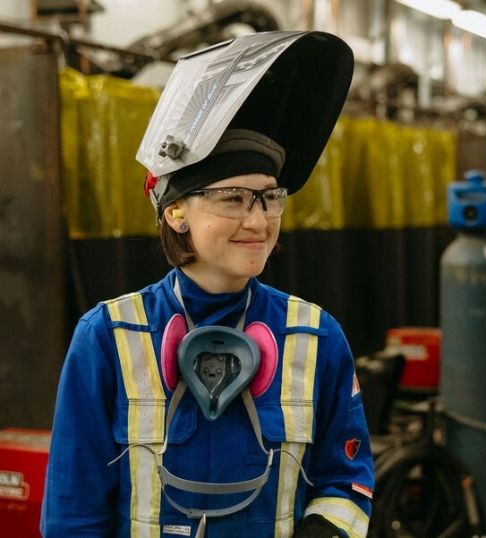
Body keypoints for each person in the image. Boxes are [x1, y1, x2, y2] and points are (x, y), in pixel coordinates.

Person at [41, 31, 373, 537]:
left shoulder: (317, 338)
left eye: (269, 197)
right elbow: (72, 512)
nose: (259, 221)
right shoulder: (108, 338)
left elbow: (348, 484)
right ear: (176, 212)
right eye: (233, 198)